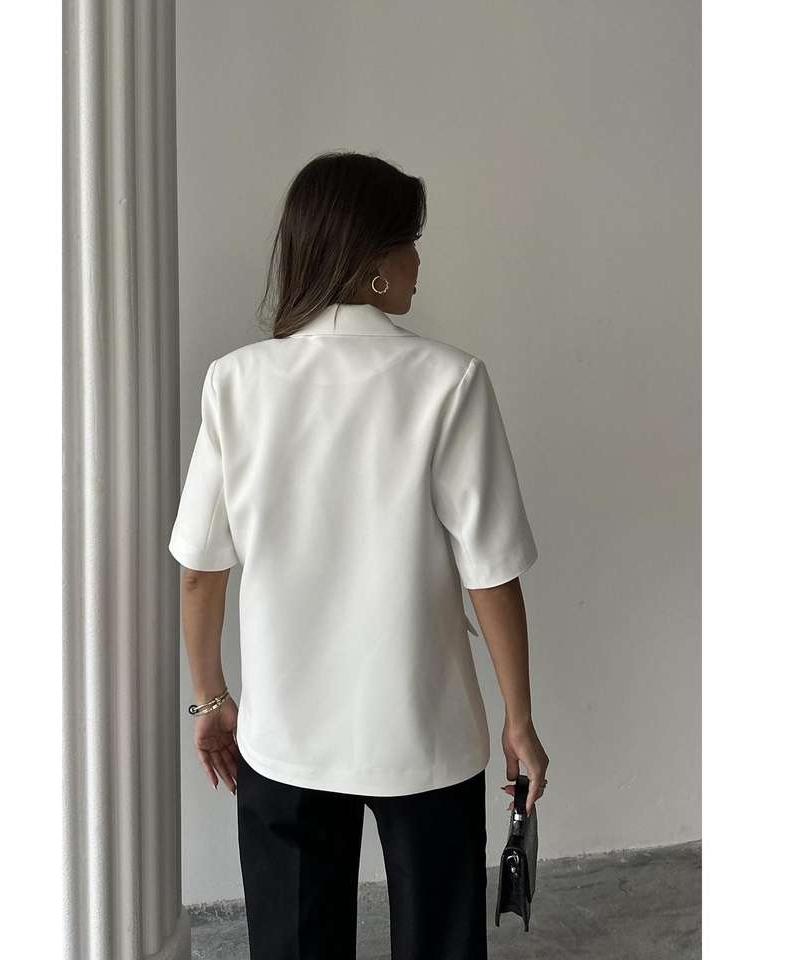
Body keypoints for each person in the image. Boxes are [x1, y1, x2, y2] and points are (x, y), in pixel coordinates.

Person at [168, 150, 550, 959]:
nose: (419, 261)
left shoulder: (236, 382)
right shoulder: (449, 381)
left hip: (284, 735)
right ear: (373, 260)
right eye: (411, 242)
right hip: (425, 730)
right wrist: (519, 719)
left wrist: (210, 702)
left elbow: (201, 570)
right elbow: (492, 575)